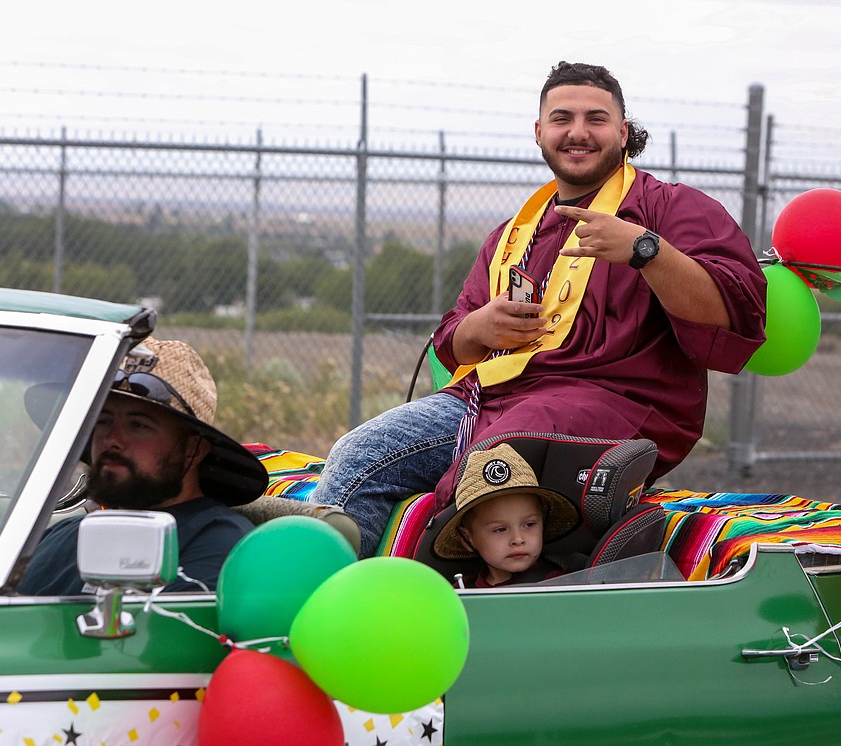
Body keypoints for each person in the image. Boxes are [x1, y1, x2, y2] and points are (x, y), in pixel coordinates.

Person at [313, 60, 767, 558]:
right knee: (360, 454)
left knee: (496, 467)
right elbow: (452, 341)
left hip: (614, 397)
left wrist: (646, 251)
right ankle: (325, 598)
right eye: (561, 118)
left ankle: (549, 555)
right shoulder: (515, 234)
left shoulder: (670, 209)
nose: (578, 132)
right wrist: (480, 326)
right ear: (539, 132)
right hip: (488, 397)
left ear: (622, 130)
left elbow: (734, 311)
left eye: (596, 118)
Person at [18, 337, 268, 595]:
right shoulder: (61, 535)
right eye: (103, 421)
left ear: (193, 450)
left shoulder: (218, 544)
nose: (112, 439)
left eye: (138, 425)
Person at [433, 444, 578, 588]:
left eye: (529, 524)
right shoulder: (461, 593)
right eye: (500, 529)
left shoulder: (557, 588)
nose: (518, 539)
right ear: (467, 538)